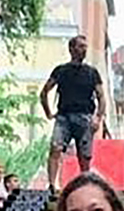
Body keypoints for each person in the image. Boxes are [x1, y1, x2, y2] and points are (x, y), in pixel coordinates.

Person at [40, 35, 106, 188]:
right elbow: (44, 92)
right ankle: (52, 184)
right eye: (81, 46)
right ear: (71, 49)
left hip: (85, 117)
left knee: (85, 155)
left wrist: (98, 117)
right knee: (56, 147)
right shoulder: (61, 71)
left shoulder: (91, 72)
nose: (84, 50)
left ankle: (85, 183)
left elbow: (101, 97)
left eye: (85, 47)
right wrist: (48, 113)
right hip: (64, 116)